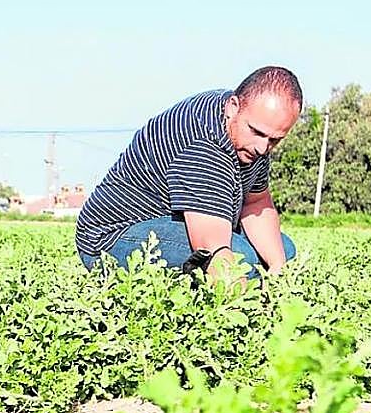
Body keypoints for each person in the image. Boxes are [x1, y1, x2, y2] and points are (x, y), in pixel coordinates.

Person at [75, 66, 302, 279]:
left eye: (274, 140)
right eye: (257, 132)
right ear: (233, 106)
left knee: (284, 249)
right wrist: (251, 311)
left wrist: (278, 274)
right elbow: (212, 249)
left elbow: (256, 203)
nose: (262, 147)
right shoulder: (203, 142)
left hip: (174, 223)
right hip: (112, 238)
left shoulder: (249, 134)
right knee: (243, 257)